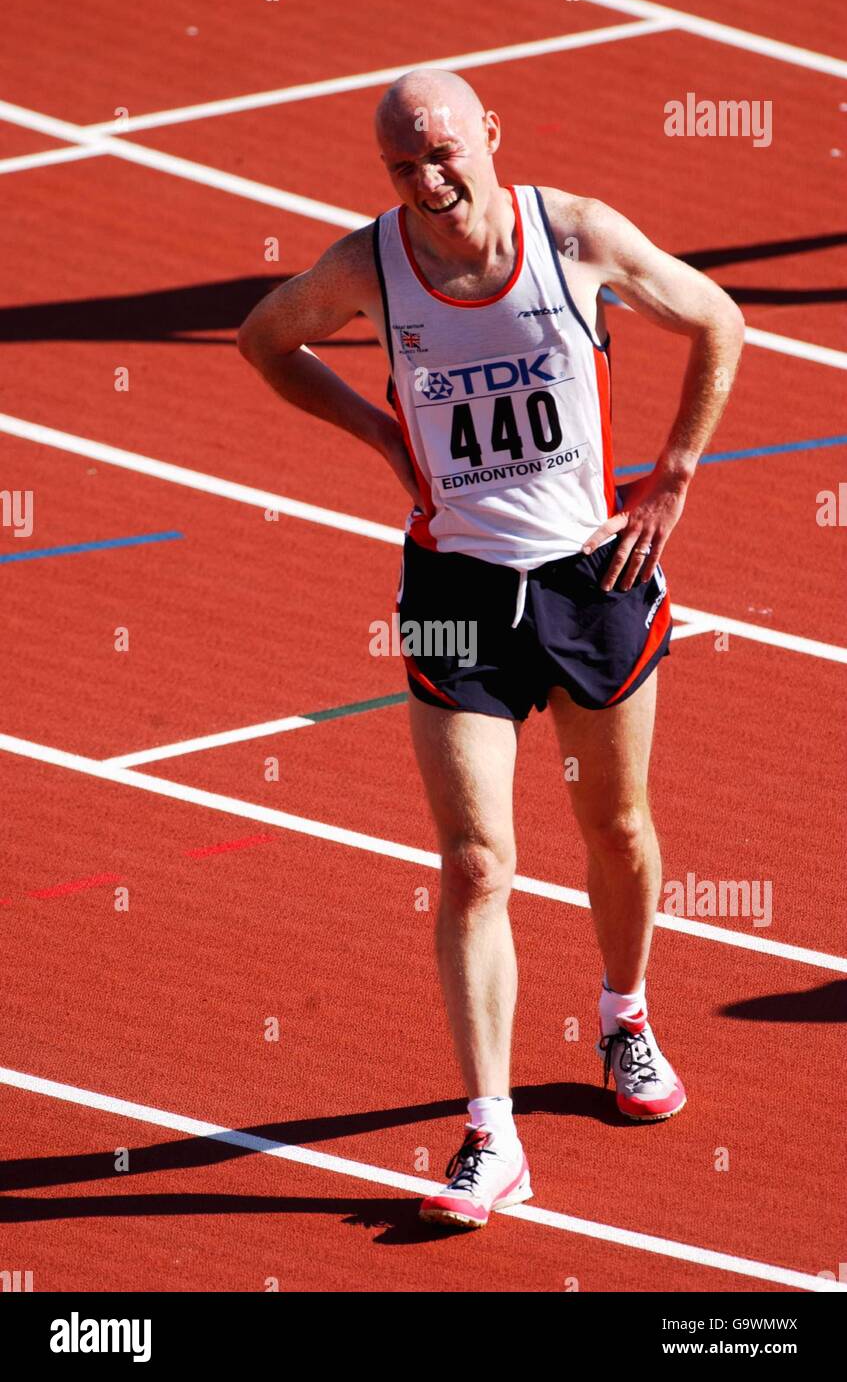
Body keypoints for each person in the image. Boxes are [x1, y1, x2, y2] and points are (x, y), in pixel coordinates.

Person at [237, 68, 745, 1230]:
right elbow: (265, 339)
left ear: (489, 138)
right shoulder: (371, 262)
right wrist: (376, 432)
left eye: (443, 153)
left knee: (613, 828)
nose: (429, 180)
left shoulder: (574, 237)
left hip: (591, 576)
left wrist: (671, 474)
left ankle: (622, 1019)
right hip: (455, 588)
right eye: (404, 166)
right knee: (474, 862)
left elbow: (717, 318)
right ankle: (489, 1130)